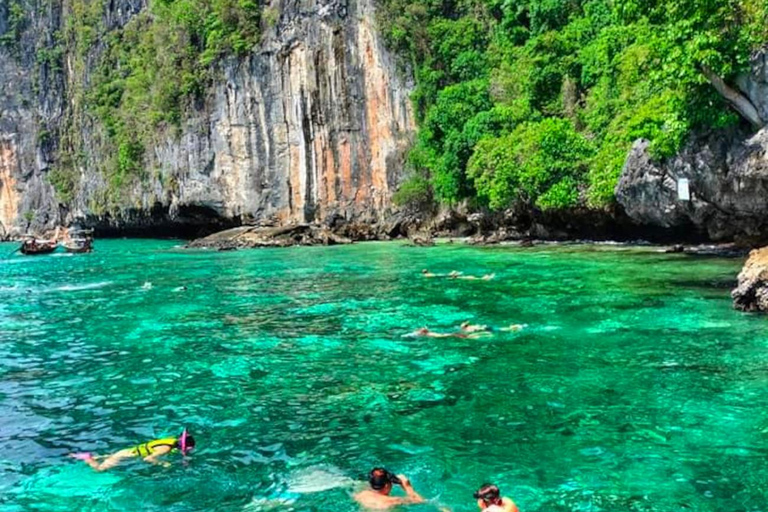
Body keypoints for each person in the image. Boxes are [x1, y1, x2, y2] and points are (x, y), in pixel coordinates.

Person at [70, 429, 195, 471]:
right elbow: (148, 458)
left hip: (127, 451)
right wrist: (164, 464)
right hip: (124, 456)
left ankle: (94, 457)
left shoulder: (170, 440)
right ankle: (88, 458)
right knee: (99, 470)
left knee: (111, 457)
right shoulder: (166, 449)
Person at [353, 468, 425, 509]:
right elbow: (420, 501)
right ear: (387, 485)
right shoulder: (392, 501)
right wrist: (407, 486)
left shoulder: (361, 495)